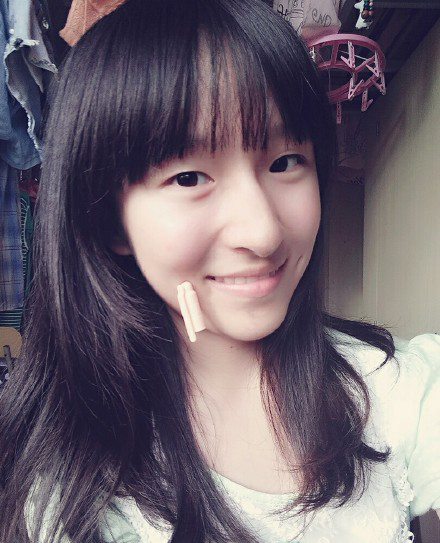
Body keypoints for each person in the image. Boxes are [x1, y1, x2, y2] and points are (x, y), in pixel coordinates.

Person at [0, 0, 439, 542]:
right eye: (189, 178)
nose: (264, 233)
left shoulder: (399, 389)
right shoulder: (66, 487)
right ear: (110, 219)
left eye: (284, 162)